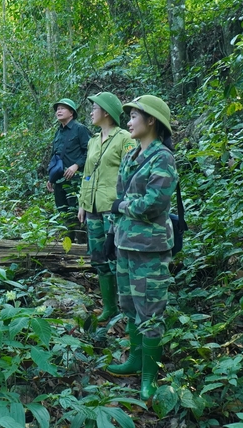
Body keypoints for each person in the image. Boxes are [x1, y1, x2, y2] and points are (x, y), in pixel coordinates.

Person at [105, 95, 177, 402]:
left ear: (151, 121)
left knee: (151, 312)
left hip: (150, 248)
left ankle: (149, 375)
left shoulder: (163, 158)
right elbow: (119, 200)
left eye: (134, 116)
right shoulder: (131, 156)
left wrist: (122, 207)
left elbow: (155, 203)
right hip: (125, 244)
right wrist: (111, 232)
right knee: (130, 307)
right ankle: (135, 361)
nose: (129, 121)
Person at [77, 92, 136, 323]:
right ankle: (109, 307)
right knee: (98, 257)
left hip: (112, 209)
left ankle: (126, 310)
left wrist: (125, 204)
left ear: (106, 112)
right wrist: (83, 203)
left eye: (94, 108)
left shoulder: (124, 138)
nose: (91, 112)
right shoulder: (92, 141)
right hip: (92, 207)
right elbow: (87, 175)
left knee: (117, 258)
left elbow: (132, 173)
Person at [47, 98, 90, 242]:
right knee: (63, 213)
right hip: (59, 179)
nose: (58, 111)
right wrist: (50, 177)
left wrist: (76, 165)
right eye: (57, 109)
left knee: (77, 213)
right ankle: (69, 244)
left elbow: (90, 152)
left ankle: (82, 245)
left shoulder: (80, 129)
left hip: (75, 180)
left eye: (62, 108)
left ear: (71, 112)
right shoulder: (58, 132)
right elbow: (55, 156)